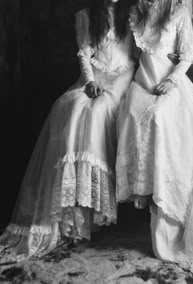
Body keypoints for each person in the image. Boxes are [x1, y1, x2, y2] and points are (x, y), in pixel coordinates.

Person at [0, 0, 135, 262]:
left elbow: (133, 58)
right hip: (94, 77)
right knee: (70, 109)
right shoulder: (85, 16)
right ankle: (70, 218)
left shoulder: (129, 16)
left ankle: (94, 210)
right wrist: (90, 82)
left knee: (98, 112)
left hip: (121, 78)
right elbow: (84, 54)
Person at [116, 0, 193, 276]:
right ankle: (148, 198)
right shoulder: (136, 13)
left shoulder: (178, 11)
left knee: (162, 120)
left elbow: (187, 56)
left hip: (169, 84)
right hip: (141, 85)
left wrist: (171, 80)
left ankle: (172, 223)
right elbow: (133, 57)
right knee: (133, 114)